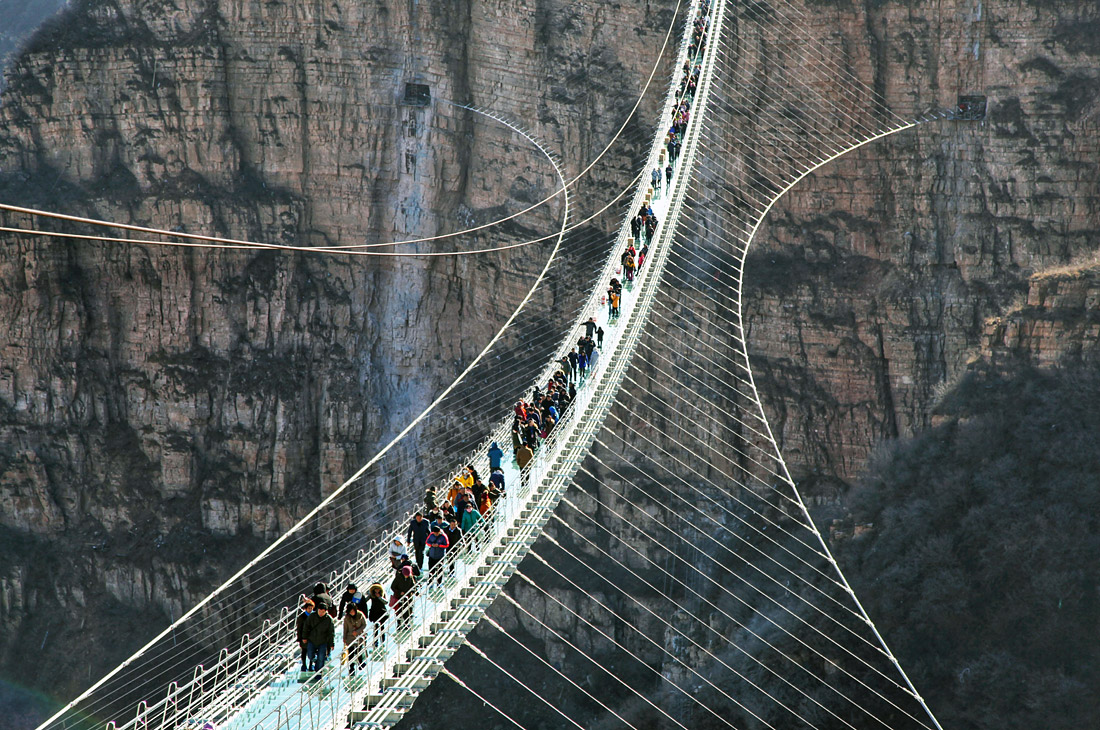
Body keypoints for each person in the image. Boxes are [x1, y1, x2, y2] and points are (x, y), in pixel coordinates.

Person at [304, 603, 335, 672]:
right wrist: (304, 637)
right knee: (310, 655)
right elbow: (306, 627)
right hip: (312, 639)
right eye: (319, 611)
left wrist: (331, 644)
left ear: (326, 611)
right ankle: (316, 663)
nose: (321, 613)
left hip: (323, 641)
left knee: (321, 658)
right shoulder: (312, 616)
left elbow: (331, 633)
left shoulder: (328, 619)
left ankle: (318, 672)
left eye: (323, 612)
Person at [390, 565, 416, 632]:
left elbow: (413, 586)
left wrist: (414, 591)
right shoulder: (398, 578)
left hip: (408, 597)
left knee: (407, 611)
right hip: (399, 598)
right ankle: (399, 624)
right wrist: (399, 592)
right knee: (398, 611)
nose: (406, 576)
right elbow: (392, 587)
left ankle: (406, 624)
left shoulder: (410, 577)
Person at [343, 603, 367, 673]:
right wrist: (344, 638)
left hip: (359, 635)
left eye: (353, 611)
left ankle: (360, 663)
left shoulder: (360, 615)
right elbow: (345, 628)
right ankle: (351, 667)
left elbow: (364, 624)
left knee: (359, 650)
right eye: (350, 611)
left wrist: (358, 631)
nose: (352, 613)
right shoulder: (346, 618)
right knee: (351, 653)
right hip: (350, 637)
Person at [295, 598, 314, 671]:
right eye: (309, 608)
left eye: (311, 608)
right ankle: (304, 664)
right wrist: (300, 638)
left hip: (312, 637)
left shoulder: (314, 616)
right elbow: (299, 628)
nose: (310, 609)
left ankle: (311, 664)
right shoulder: (302, 617)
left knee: (312, 651)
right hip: (304, 636)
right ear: (306, 609)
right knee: (304, 651)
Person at [366, 583, 387, 649]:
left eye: (378, 589)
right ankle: (375, 641)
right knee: (376, 627)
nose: (377, 590)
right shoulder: (371, 595)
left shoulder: (382, 594)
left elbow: (386, 602)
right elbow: (365, 600)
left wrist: (379, 597)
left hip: (381, 611)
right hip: (374, 612)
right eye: (375, 589)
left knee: (382, 626)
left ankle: (383, 640)